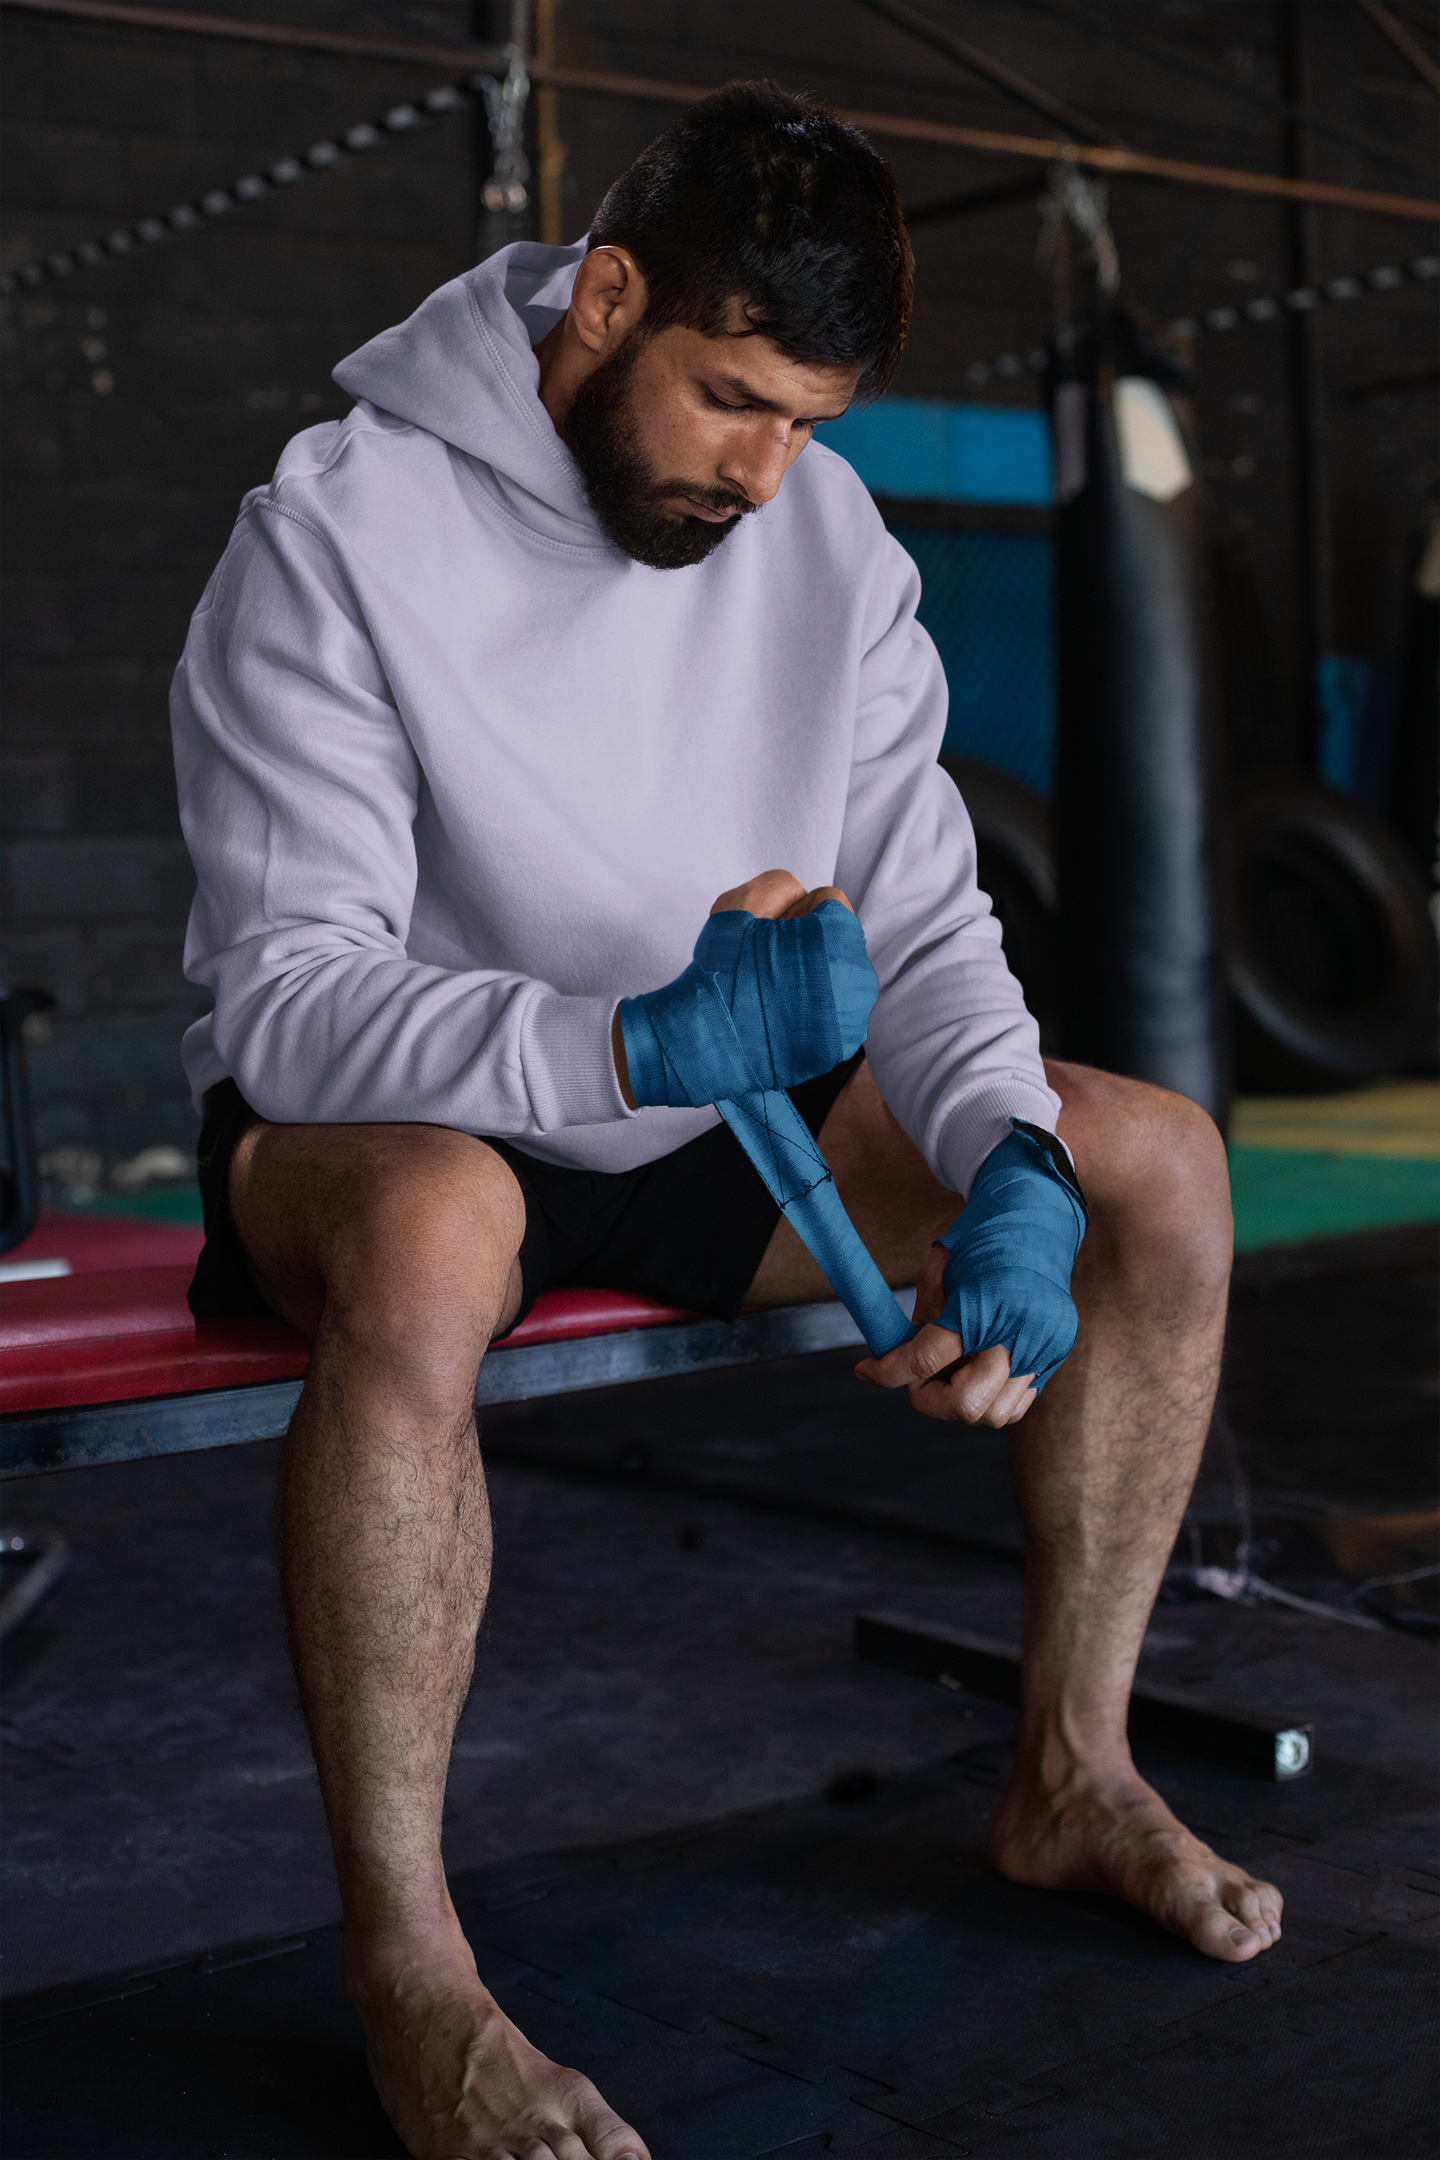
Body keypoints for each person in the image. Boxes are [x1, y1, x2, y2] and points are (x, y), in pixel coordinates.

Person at [171, 81, 1281, 2160]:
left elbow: (929, 919)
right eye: (737, 400)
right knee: (426, 1230)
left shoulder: (825, 538)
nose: (769, 474)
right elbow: (298, 1009)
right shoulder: (332, 530)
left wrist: (1014, 1165)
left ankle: (1072, 1770)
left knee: (1156, 1160)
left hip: (712, 1095)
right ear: (605, 298)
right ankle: (412, 1966)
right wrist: (629, 1045)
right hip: (409, 1119)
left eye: (813, 422)